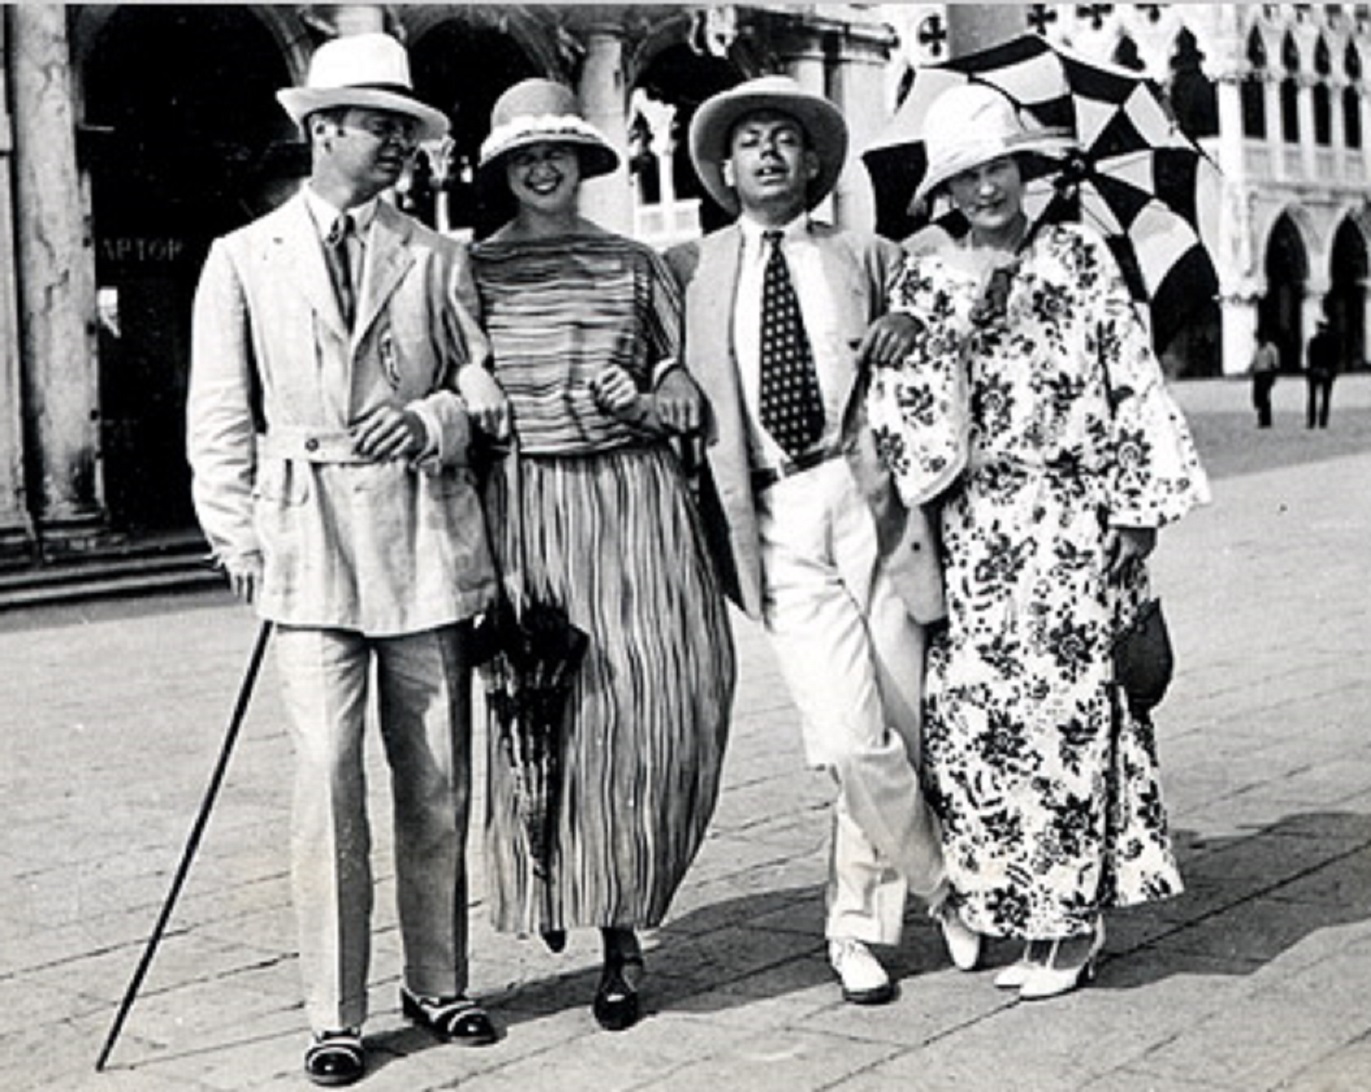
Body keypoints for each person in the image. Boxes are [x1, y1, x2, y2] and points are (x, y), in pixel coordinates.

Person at [186, 33, 502, 1085]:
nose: (398, 150)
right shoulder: (244, 258)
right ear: (323, 130)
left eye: (407, 133)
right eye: (380, 129)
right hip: (306, 539)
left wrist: (436, 417)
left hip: (421, 536)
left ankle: (440, 979)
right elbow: (220, 419)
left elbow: (484, 391)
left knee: (437, 775)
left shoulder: (437, 253)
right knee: (326, 774)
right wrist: (239, 538)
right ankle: (335, 1009)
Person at [865, 82, 1211, 1001]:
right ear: (942, 191)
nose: (986, 190)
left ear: (1025, 170)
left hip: (1071, 515)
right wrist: (923, 349)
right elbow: (909, 437)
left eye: (998, 169)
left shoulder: (1079, 254)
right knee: (982, 721)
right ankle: (1014, 902)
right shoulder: (924, 277)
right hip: (977, 525)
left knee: (1067, 713)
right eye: (966, 177)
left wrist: (1137, 507)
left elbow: (1129, 375)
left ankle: (1072, 919)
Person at [666, 76, 973, 1007]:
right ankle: (946, 883)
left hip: (868, 496)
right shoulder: (689, 268)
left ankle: (855, 930)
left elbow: (950, 277)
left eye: (784, 140)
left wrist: (910, 318)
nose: (766, 153)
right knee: (846, 734)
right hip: (770, 513)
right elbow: (656, 355)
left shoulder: (865, 252)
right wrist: (665, 376)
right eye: (748, 142)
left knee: (898, 713)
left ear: (812, 165)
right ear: (724, 170)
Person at [461, 78, 735, 1032]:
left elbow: (680, 390)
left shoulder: (635, 264)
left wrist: (657, 395)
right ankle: (556, 889)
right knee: (547, 714)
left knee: (654, 705)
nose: (543, 167)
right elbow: (458, 391)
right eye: (524, 155)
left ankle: (623, 928)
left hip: (635, 502)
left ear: (583, 162)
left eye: (560, 152)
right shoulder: (472, 272)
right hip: (527, 503)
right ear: (501, 170)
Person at [1305, 317, 1339, 428]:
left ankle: (1318, 420)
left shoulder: (1315, 341)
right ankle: (1316, 420)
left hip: (1322, 371)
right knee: (1317, 398)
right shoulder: (1316, 341)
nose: (1320, 330)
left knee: (1321, 398)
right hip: (1319, 371)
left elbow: (1334, 358)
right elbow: (1310, 357)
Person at [1250, 331, 1280, 428]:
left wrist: (1274, 376)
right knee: (1257, 398)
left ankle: (1266, 420)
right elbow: (1254, 361)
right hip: (1258, 374)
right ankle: (1261, 418)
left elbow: (1275, 363)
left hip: (1266, 373)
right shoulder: (1257, 349)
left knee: (1264, 397)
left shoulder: (1271, 348)